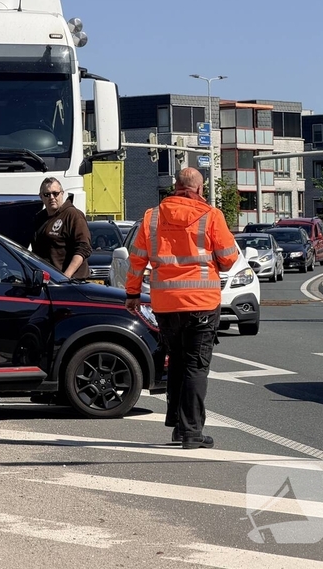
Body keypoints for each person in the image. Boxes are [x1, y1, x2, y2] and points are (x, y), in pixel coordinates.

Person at [124, 168, 240, 450]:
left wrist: (132, 293)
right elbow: (228, 258)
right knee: (195, 366)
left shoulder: (152, 217)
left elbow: (137, 259)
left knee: (175, 361)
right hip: (201, 303)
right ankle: (191, 432)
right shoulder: (211, 216)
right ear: (200, 190)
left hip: (165, 304)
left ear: (175, 187)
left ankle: (178, 425)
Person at [31, 177, 92, 279]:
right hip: (48, 281)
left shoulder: (73, 215)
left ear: (62, 193)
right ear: (41, 197)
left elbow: (84, 248)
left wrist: (66, 276)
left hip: (71, 283)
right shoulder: (39, 218)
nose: (51, 197)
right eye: (47, 194)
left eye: (55, 193)